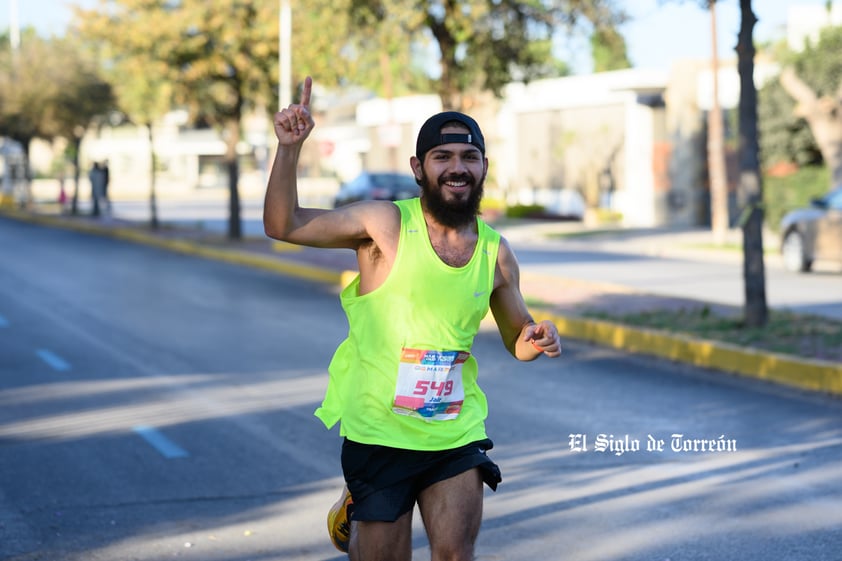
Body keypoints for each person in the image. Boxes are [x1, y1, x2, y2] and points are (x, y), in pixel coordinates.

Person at [263, 76, 562, 561]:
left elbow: (518, 339)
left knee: (454, 555)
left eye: (468, 158)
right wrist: (289, 149)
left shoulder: (495, 253)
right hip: (379, 431)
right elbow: (284, 224)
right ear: (418, 168)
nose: (456, 168)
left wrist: (538, 336)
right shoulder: (384, 225)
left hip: (454, 430)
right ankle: (356, 502)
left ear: (484, 166)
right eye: (442, 157)